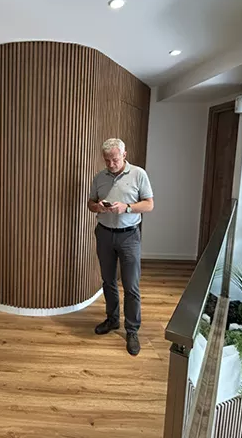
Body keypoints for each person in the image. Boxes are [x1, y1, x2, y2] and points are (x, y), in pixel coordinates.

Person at [87, 138, 154, 356]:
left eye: (114, 159)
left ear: (124, 155)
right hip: (104, 234)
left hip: (129, 236)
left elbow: (149, 204)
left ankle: (132, 330)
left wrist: (127, 208)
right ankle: (112, 319)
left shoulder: (138, 174)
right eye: (107, 160)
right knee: (108, 281)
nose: (111, 164)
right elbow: (90, 203)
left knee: (131, 285)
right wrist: (97, 207)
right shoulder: (99, 177)